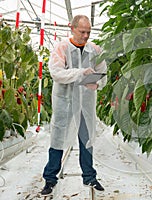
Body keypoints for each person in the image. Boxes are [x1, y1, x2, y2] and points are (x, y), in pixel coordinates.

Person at [41, 15, 107, 196]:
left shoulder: (95, 50)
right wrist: (80, 73)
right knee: (58, 138)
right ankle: (50, 178)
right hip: (65, 101)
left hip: (85, 103)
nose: (86, 36)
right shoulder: (62, 48)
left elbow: (103, 73)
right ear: (72, 28)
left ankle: (89, 176)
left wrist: (97, 83)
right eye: (82, 31)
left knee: (86, 139)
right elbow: (56, 73)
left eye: (89, 32)